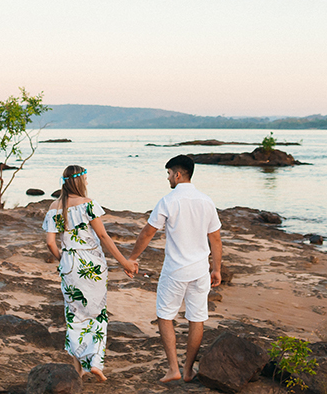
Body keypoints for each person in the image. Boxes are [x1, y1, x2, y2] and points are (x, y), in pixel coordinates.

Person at [127, 154, 222, 383]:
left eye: (169, 174)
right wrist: (216, 269)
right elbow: (216, 240)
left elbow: (148, 233)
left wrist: (132, 258)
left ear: (177, 174)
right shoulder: (206, 201)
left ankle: (173, 368)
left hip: (175, 270)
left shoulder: (169, 201)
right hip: (200, 270)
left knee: (165, 315)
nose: (168, 178)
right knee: (196, 318)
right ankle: (188, 370)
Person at [43, 165, 139, 381]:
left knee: (74, 315)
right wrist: (124, 262)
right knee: (96, 313)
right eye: (85, 179)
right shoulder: (88, 205)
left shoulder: (54, 206)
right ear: (79, 181)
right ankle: (95, 363)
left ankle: (79, 369)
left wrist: (64, 259)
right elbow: (103, 236)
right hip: (92, 264)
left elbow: (50, 243)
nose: (87, 183)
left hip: (69, 264)